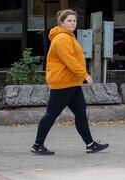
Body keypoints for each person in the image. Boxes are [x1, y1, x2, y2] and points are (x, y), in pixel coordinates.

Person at [31, 9, 109, 155]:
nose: (72, 23)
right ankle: (37, 145)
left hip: (72, 83)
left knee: (80, 113)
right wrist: (85, 75)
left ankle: (90, 144)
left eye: (74, 20)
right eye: (69, 20)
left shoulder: (69, 36)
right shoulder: (62, 38)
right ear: (62, 23)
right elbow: (70, 60)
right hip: (63, 82)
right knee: (51, 114)